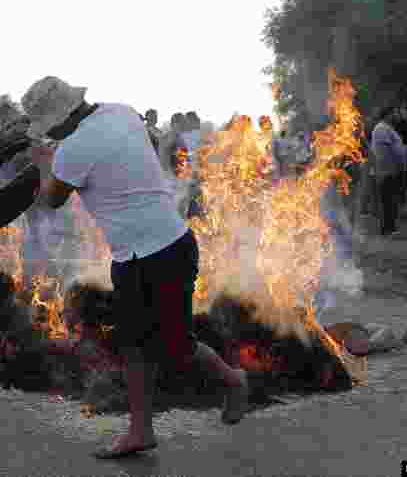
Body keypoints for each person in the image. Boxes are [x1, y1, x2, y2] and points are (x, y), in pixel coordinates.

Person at [21, 76, 248, 459]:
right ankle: (140, 431)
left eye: (49, 127)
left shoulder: (72, 150)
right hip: (141, 253)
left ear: (59, 121)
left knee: (175, 347)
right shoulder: (121, 112)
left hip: (162, 252)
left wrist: (44, 163)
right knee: (133, 345)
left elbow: (52, 199)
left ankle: (233, 379)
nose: (50, 133)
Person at [371, 112, 407, 236]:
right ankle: (387, 228)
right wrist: (395, 165)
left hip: (391, 170)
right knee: (388, 200)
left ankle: (390, 227)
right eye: (393, 113)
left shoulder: (387, 128)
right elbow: (386, 151)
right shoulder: (381, 128)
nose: (396, 116)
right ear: (387, 115)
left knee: (391, 199)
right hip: (387, 170)